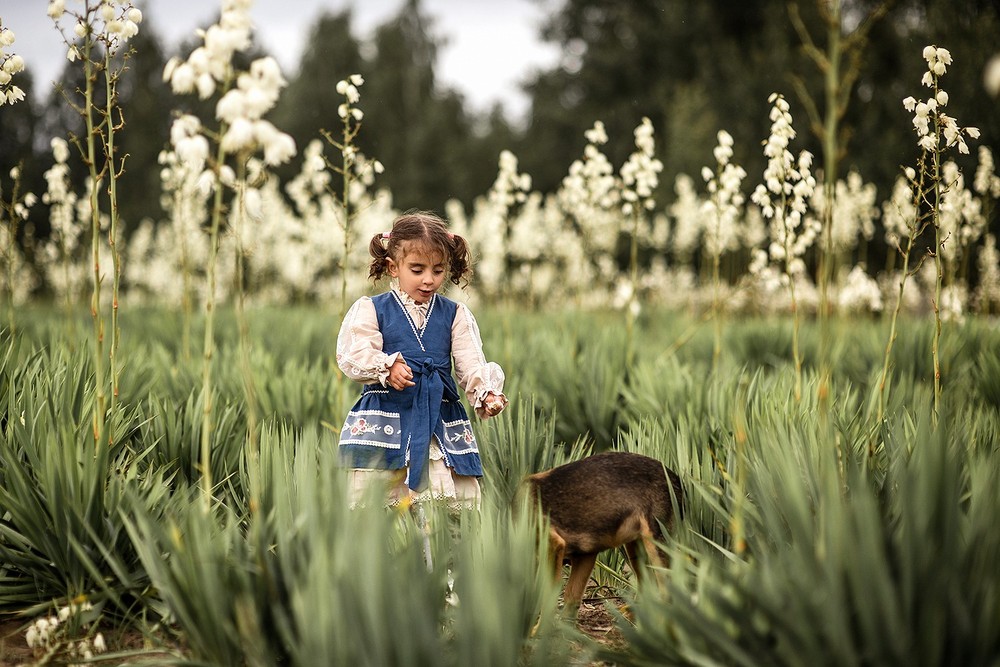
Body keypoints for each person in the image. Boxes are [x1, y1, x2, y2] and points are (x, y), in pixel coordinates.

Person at [336, 211, 508, 510]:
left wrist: (486, 392)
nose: (429, 280)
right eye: (417, 270)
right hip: (388, 419)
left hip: (438, 419)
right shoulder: (372, 309)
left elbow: (470, 363)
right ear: (393, 267)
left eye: (438, 270)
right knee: (380, 512)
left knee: (442, 515)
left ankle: (440, 556)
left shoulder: (455, 314)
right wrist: (386, 367)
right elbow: (354, 353)